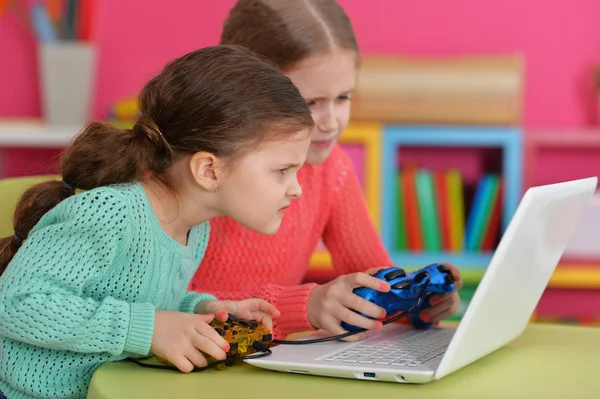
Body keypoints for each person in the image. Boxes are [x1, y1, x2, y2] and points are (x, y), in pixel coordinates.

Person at [0, 44, 314, 399]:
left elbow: (135, 297)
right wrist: (148, 329)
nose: (296, 190)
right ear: (209, 169)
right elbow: (15, 301)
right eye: (283, 171)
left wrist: (201, 310)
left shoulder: (195, 227)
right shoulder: (110, 213)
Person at [189, 0, 463, 341]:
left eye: (343, 97)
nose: (331, 122)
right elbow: (169, 306)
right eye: (309, 102)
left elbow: (374, 284)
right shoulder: (202, 170)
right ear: (244, 90)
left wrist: (414, 301)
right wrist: (305, 305)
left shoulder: (333, 170)